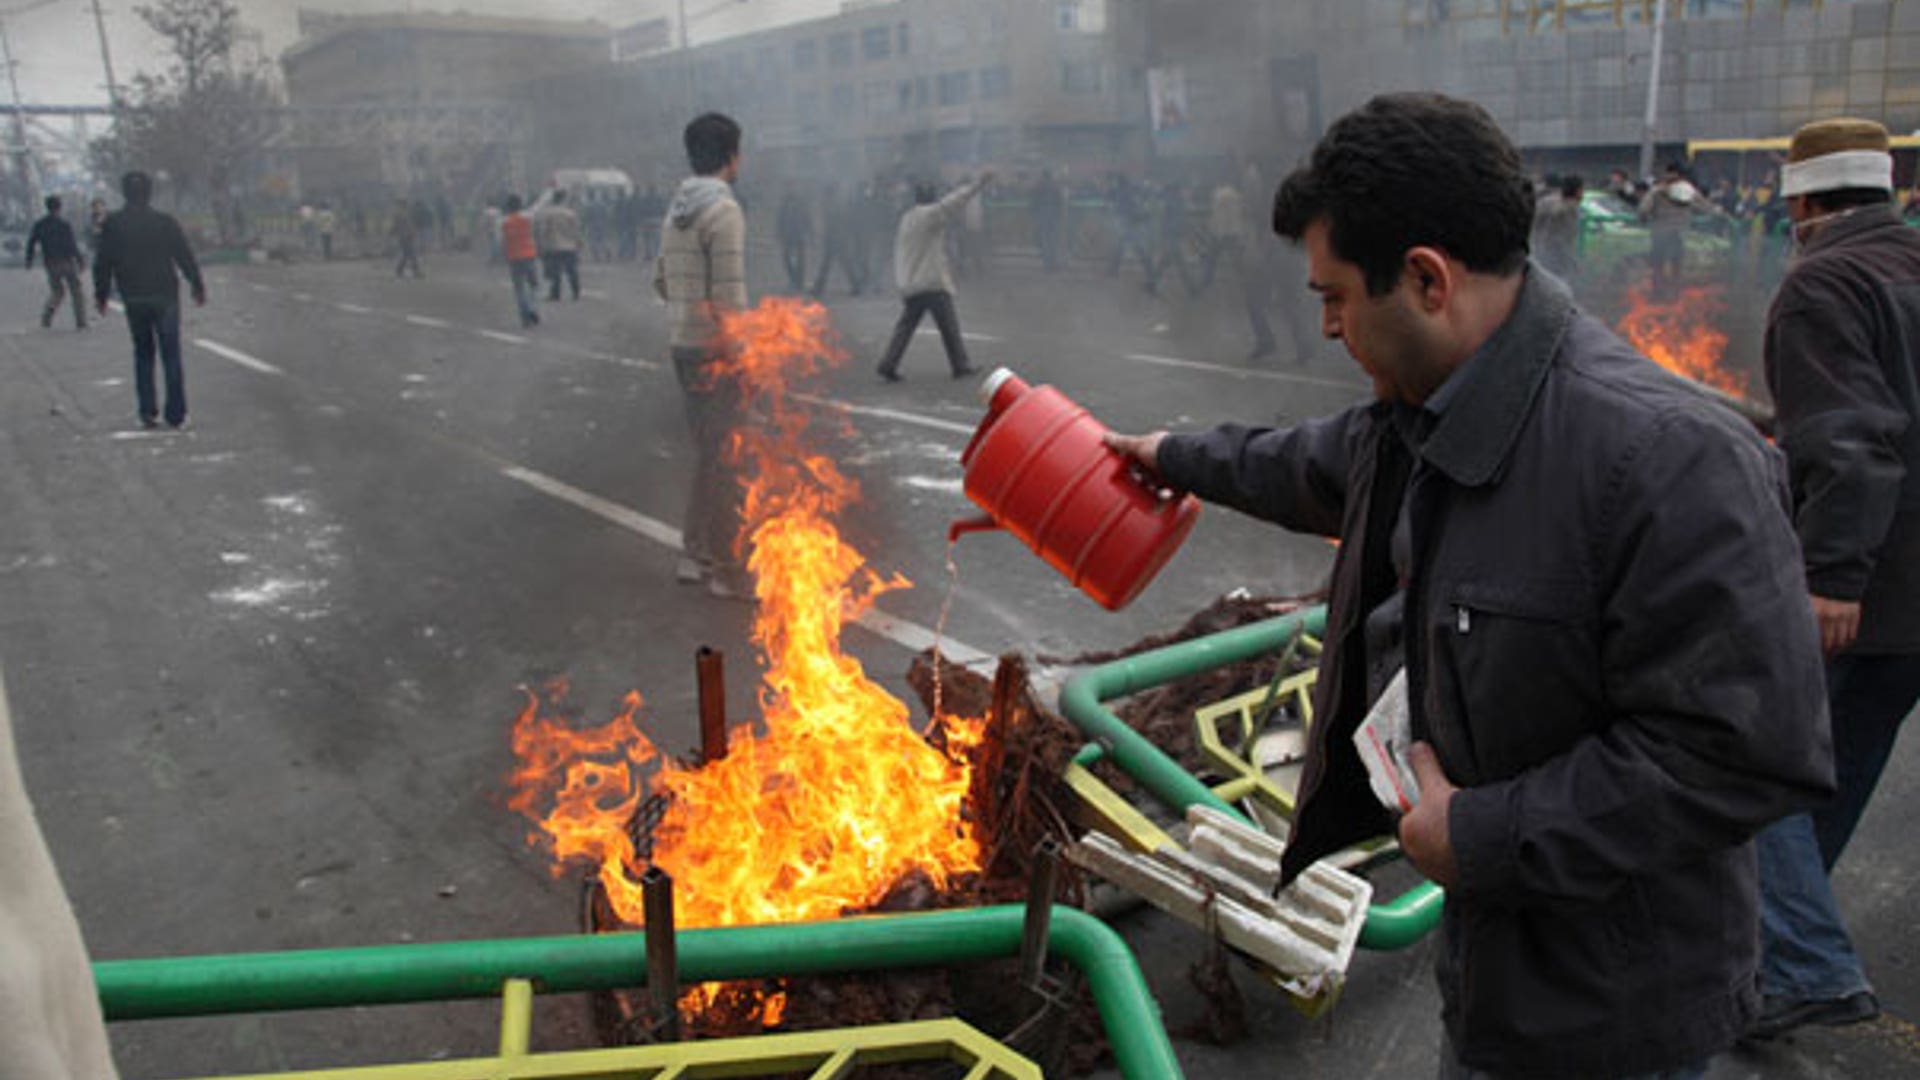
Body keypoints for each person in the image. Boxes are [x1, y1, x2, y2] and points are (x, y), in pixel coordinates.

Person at [1105, 93, 1831, 1079]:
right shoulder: (1417, 416)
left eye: (1333, 296)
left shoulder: (1669, 459)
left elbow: (1746, 755)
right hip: (1495, 976)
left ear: (1426, 279)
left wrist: (1481, 836)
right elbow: (1302, 464)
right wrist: (1167, 455)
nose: (1323, 326)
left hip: (1617, 1017)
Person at [1747, 117, 1920, 1041]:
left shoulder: (1824, 283)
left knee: (1752, 753)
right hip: (1915, 607)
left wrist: (1832, 578)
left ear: (1803, 202)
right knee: (1837, 767)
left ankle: (1806, 961)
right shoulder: (1910, 265)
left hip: (1870, 583)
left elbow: (1851, 443)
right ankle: (1779, 964)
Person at [654, 112, 750, 599]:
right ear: (732, 156)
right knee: (726, 459)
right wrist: (743, 356)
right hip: (717, 352)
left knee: (710, 454)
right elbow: (729, 299)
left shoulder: (675, 210)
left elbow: (661, 281)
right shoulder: (724, 210)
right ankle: (729, 570)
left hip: (683, 346)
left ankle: (695, 554)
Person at [92, 170, 207, 431]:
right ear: (149, 192)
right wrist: (196, 285)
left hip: (134, 296)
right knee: (171, 354)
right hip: (164, 294)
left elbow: (103, 262)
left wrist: (101, 295)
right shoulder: (164, 222)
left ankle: (147, 411)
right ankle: (176, 413)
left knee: (143, 354)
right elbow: (183, 255)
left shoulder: (114, 224)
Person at [875, 173, 991, 383]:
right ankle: (960, 365)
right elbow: (954, 202)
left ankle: (888, 363)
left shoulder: (907, 218)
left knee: (905, 328)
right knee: (949, 327)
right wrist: (978, 184)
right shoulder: (929, 215)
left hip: (912, 284)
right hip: (931, 282)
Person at [26, 196, 86, 330]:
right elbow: (72, 244)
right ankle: (81, 321)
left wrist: (29, 260)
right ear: (59, 207)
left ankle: (47, 315)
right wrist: (80, 260)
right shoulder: (64, 224)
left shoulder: (40, 224)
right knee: (76, 291)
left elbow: (31, 243)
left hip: (50, 263)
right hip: (67, 262)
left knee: (57, 291)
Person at [1639, 162, 1702, 291]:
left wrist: (1643, 220)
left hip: (1660, 232)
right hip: (1680, 233)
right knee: (1676, 264)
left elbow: (1643, 209)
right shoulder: (1690, 191)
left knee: (1658, 264)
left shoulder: (1657, 191)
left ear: (1670, 173)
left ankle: (1658, 292)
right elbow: (1703, 206)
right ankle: (1674, 293)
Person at [1532, 173, 1583, 284]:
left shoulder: (1546, 202)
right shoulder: (1570, 209)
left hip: (1536, 253)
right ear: (1578, 191)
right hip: (1556, 257)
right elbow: (1563, 239)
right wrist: (1572, 261)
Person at [534, 189, 583, 302]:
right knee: (572, 270)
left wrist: (541, 245)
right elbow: (576, 230)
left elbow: (543, 231)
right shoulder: (570, 213)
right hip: (569, 246)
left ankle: (556, 293)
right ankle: (576, 291)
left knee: (555, 272)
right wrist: (579, 242)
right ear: (563, 199)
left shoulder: (547, 214)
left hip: (553, 246)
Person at [500, 195, 540, 328]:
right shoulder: (527, 217)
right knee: (534, 285)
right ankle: (532, 307)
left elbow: (501, 240)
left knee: (519, 289)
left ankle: (525, 315)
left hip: (513, 257)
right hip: (529, 254)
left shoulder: (504, 222)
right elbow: (538, 206)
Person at [777, 185, 811, 292]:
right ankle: (794, 279)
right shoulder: (785, 203)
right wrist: (779, 232)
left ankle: (799, 281)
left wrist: (810, 233)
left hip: (798, 234)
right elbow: (780, 219)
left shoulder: (801, 203)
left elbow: (807, 219)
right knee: (787, 258)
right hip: (788, 234)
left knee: (801, 259)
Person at [1031, 170, 1064, 272]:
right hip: (1054, 215)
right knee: (1053, 240)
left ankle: (1047, 265)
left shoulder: (1039, 185)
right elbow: (1060, 201)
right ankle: (1053, 264)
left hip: (1043, 214)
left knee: (1045, 240)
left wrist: (1034, 213)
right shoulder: (1055, 186)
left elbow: (1034, 199)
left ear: (1043, 175)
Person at [389, 197, 423, 279]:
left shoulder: (400, 213)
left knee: (407, 255)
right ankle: (415, 271)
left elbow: (398, 226)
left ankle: (400, 270)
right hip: (405, 237)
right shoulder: (401, 214)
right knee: (411, 254)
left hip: (405, 236)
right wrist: (412, 233)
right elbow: (406, 226)